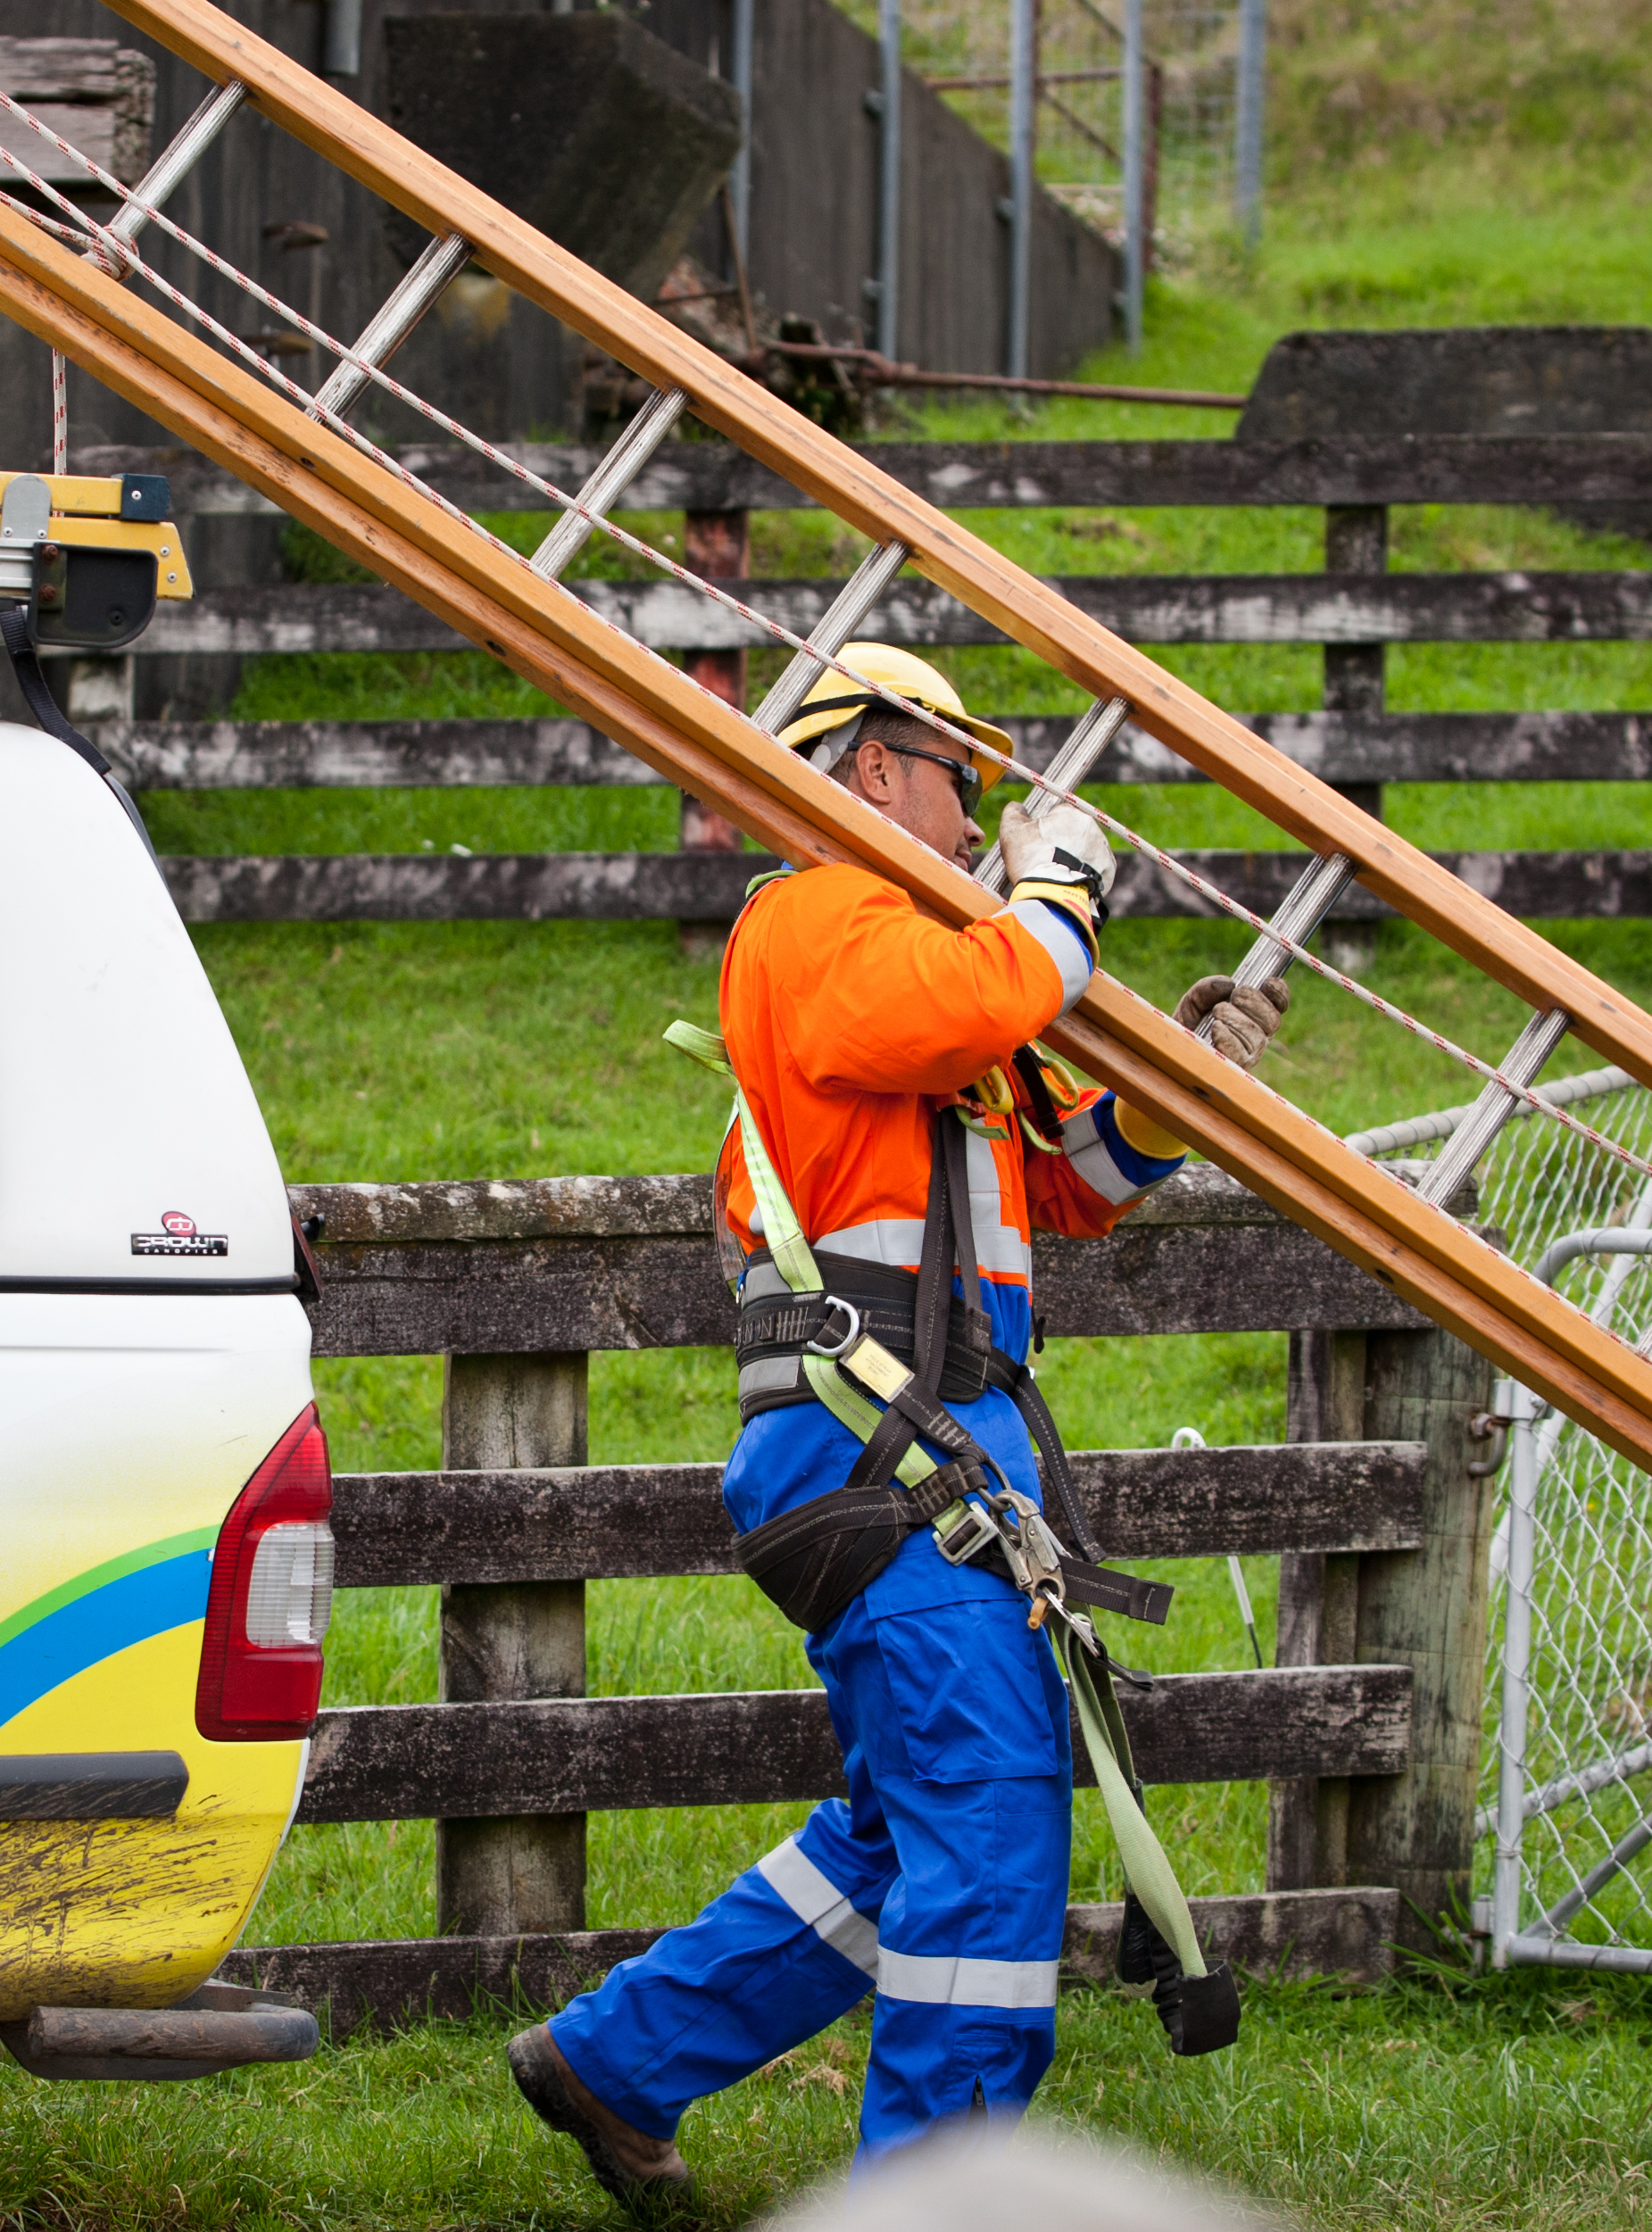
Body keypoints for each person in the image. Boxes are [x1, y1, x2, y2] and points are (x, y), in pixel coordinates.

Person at [505, 644, 1287, 2197]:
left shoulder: (908, 979)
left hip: (914, 1447)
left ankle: (616, 2061)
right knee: (990, 1832)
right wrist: (1059, 900)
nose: (981, 809)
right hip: (883, 1449)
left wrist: (1169, 1098)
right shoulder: (821, 917)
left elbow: (1060, 1188)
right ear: (871, 767)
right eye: (961, 776)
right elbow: (988, 992)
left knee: (906, 1827)